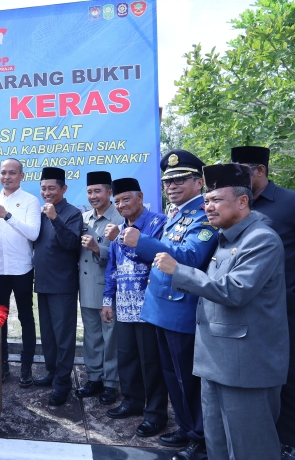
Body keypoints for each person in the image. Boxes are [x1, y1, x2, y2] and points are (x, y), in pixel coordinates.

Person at [155, 163, 289, 460]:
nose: (208, 206)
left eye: (216, 200)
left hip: (245, 367)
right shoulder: (226, 237)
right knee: (217, 443)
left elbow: (234, 290)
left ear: (242, 201)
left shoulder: (261, 239)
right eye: (207, 200)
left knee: (249, 448)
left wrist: (180, 271)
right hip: (215, 362)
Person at [126, 150, 217, 459]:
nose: (173, 186)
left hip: (182, 309)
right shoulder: (176, 213)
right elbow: (160, 257)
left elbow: (191, 258)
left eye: (180, 180)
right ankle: (185, 426)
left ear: (199, 182)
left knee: (186, 378)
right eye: (168, 181)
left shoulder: (204, 215)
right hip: (161, 307)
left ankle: (200, 437)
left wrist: (142, 240)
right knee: (171, 374)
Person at [230, 146, 295, 459]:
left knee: (287, 375)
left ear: (259, 170)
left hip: (284, 308)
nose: (237, 176)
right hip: (240, 307)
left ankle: (287, 441)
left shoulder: (289, 203)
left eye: (242, 169)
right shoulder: (235, 205)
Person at [102, 178, 168, 438]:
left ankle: (155, 414)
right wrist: (108, 300)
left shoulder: (158, 223)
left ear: (140, 196)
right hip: (125, 304)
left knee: (151, 361)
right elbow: (112, 268)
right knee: (127, 356)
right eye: (117, 201)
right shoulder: (119, 228)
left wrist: (121, 239)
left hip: (151, 304)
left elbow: (155, 257)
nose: (121, 205)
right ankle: (131, 401)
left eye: (126, 199)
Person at [0, 158, 40, 386]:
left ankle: (26, 366)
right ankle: (2, 364)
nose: (7, 177)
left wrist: (7, 215)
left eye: (12, 173)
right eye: (3, 172)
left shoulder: (31, 201)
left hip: (22, 269)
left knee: (26, 317)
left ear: (22, 176)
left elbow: (33, 234)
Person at [32, 167, 82, 406]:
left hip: (63, 285)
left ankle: (63, 383)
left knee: (64, 337)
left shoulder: (72, 213)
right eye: (43, 188)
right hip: (42, 283)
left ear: (64, 189)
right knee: (49, 336)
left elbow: (72, 244)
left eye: (52, 188)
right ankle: (52, 373)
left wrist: (55, 217)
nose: (47, 192)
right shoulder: (39, 212)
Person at [76, 171, 122, 406]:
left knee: (110, 337)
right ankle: (93, 378)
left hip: (108, 290)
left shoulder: (120, 219)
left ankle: (111, 383)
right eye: (89, 192)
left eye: (98, 191)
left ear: (109, 193)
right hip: (85, 289)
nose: (93, 196)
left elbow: (123, 256)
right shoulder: (84, 218)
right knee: (91, 336)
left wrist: (97, 248)